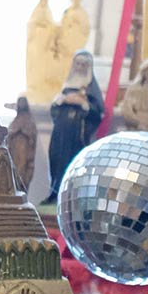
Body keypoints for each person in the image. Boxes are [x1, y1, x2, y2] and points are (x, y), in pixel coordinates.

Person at [45, 49, 103, 202]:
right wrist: (60, 102)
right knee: (57, 160)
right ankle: (55, 192)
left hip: (77, 135)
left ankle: (71, 197)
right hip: (61, 133)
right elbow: (54, 111)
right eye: (77, 64)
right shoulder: (66, 87)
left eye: (84, 64)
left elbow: (97, 114)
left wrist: (83, 104)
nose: (80, 67)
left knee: (74, 163)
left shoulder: (91, 90)